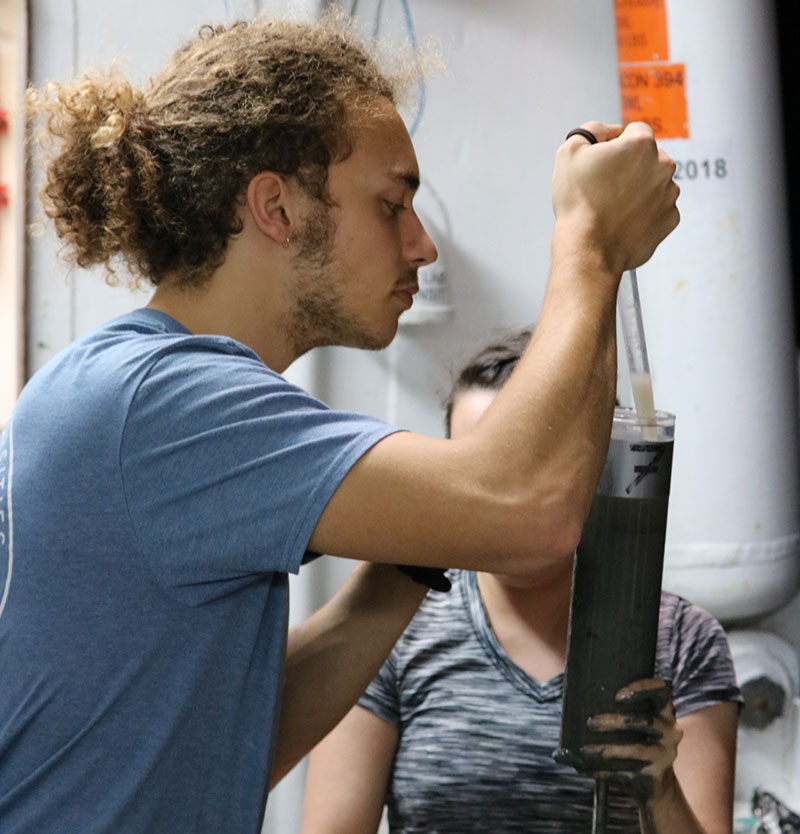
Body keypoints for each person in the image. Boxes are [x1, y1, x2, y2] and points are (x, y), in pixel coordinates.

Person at [0, 10, 679, 834]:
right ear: (276, 209)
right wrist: (590, 240)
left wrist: (406, 562)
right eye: (393, 204)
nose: (422, 245)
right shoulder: (164, 401)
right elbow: (532, 512)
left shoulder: (144, 392)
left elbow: (229, 743)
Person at [301, 328, 741, 834]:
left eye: (517, 470)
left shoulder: (683, 641)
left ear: (593, 468)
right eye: (470, 470)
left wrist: (660, 792)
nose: (492, 500)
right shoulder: (393, 626)